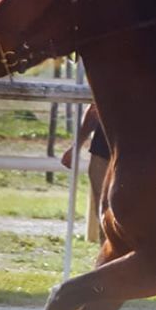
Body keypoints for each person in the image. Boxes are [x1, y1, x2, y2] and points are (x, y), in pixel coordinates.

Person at [60, 104, 109, 243]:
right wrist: (76, 147)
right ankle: (107, 256)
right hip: (104, 149)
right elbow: (94, 108)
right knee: (104, 210)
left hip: (134, 152)